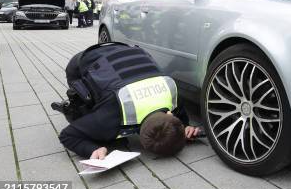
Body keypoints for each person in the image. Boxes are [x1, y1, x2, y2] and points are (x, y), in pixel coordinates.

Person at [52, 42, 203, 159]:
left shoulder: (171, 91)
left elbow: (179, 119)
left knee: (105, 100)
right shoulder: (110, 118)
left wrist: (186, 126)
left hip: (128, 50)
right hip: (84, 59)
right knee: (87, 106)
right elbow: (67, 135)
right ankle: (72, 107)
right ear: (171, 113)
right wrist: (93, 149)